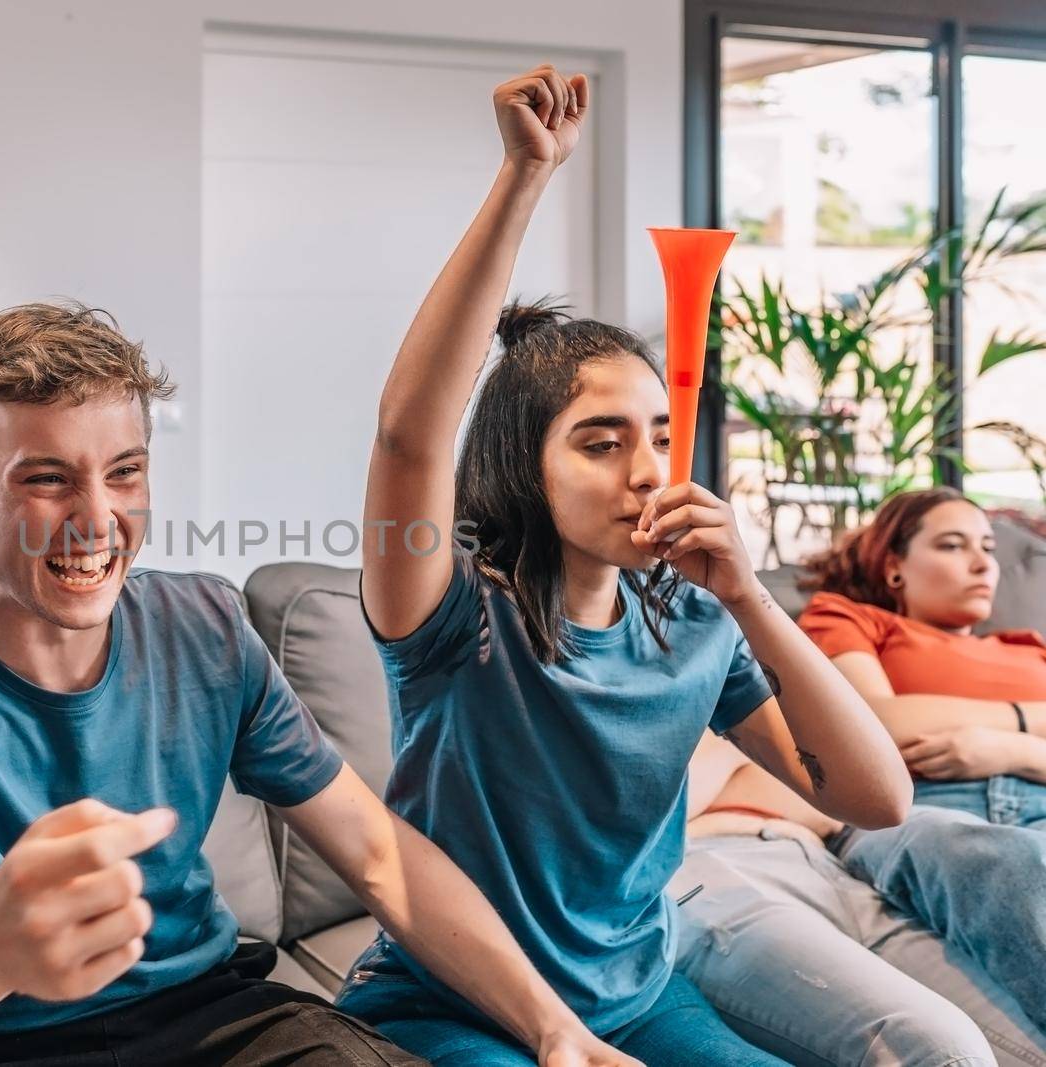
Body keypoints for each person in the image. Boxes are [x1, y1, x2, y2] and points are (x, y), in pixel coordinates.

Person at [0, 302, 642, 1067]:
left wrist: (550, 1023)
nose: (97, 518)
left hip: (213, 1019)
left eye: (124, 473)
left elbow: (380, 856)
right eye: (48, 478)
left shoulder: (202, 627)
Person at [332, 64, 912, 1066]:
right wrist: (524, 176)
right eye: (599, 443)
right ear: (527, 464)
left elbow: (876, 798)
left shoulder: (693, 625)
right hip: (449, 1004)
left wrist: (748, 599)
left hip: (639, 996)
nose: (646, 470)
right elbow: (406, 440)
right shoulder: (449, 616)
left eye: (657, 434)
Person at [796, 486, 1046, 1028]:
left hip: (1037, 794)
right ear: (894, 568)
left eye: (988, 548)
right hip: (918, 808)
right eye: (954, 546)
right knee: (1015, 863)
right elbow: (873, 723)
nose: (984, 562)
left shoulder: (1029, 647)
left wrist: (1008, 746)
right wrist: (1033, 716)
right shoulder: (848, 619)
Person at [673, 731, 1046, 1066]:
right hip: (709, 865)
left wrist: (730, 752)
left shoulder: (719, 676)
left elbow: (839, 768)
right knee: (941, 1053)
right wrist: (736, 749)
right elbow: (638, 819)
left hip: (827, 853)